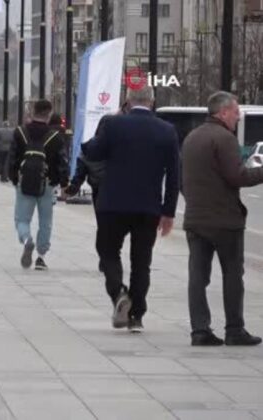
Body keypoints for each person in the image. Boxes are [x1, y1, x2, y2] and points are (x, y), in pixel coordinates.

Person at [82, 86, 180, 333]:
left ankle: (118, 293)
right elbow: (175, 175)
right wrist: (168, 212)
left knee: (107, 251)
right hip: (148, 207)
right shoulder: (166, 130)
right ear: (152, 102)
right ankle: (136, 316)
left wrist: (105, 127)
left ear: (127, 101)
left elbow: (92, 152)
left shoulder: (115, 125)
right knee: (141, 261)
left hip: (113, 203)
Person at [182, 91, 263, 346]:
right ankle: (234, 329)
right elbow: (237, 177)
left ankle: (199, 330)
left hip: (195, 218)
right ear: (223, 112)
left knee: (197, 276)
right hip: (224, 221)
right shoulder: (224, 138)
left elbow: (184, 179)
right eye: (236, 111)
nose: (238, 116)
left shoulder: (192, 137)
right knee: (231, 275)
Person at [9, 99, 69, 271]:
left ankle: (27, 239)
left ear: (33, 111)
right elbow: (62, 163)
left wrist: (15, 178)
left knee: (22, 219)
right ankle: (41, 257)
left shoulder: (20, 132)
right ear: (49, 114)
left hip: (25, 182)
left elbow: (12, 158)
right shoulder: (55, 137)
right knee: (45, 221)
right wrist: (64, 185)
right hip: (48, 184)